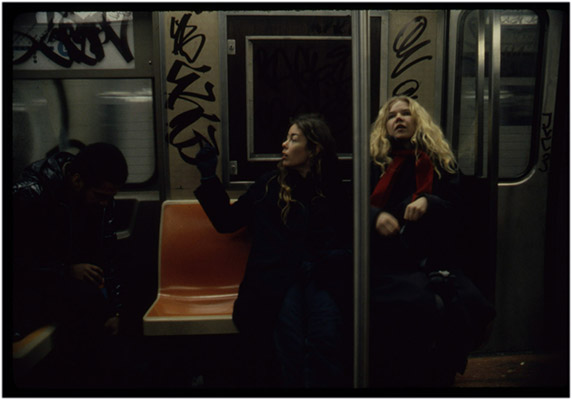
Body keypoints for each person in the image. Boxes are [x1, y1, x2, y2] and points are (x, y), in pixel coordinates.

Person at [193, 114, 352, 388]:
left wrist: (330, 260)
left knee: (326, 336)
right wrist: (209, 177)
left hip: (321, 274)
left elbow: (347, 238)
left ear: (314, 149)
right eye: (286, 138)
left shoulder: (333, 190)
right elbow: (226, 221)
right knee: (286, 343)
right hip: (276, 279)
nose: (284, 145)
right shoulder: (268, 185)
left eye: (293, 139)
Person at [368, 96, 495, 387]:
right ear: (384, 126)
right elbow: (352, 207)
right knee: (422, 305)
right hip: (389, 260)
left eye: (405, 114)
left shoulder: (440, 163)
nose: (398, 119)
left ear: (418, 121)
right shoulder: (376, 164)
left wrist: (430, 201)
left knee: (468, 304)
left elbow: (463, 214)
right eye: (392, 116)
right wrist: (374, 216)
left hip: (434, 257)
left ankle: (439, 377)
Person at [12, 142, 128, 385]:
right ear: (77, 180)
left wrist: (115, 310)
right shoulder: (30, 195)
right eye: (101, 196)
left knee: (105, 309)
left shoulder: (100, 201)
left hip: (66, 285)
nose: (106, 204)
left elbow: (107, 254)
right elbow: (16, 264)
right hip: (26, 291)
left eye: (110, 197)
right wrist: (65, 270)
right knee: (84, 303)